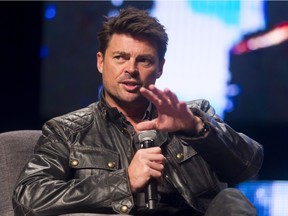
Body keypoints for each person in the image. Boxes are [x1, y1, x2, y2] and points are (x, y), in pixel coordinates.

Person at [13, 7, 263, 216]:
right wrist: (123, 182)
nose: (131, 69)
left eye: (144, 60)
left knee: (231, 199)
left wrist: (197, 129)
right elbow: (29, 197)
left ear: (160, 67)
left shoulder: (194, 115)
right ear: (101, 62)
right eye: (120, 57)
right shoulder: (68, 130)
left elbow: (247, 167)